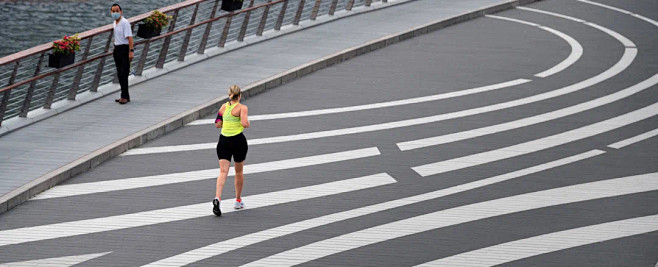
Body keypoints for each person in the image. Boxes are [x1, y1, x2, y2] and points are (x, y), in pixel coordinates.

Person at [213, 85, 250, 216]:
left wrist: (226, 122)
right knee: (238, 171)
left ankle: (217, 198)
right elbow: (245, 124)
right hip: (238, 141)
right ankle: (238, 200)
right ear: (239, 95)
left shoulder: (224, 107)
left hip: (223, 141)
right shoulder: (242, 108)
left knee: (223, 171)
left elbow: (217, 123)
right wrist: (243, 121)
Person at [111, 3, 134, 105]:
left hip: (125, 49)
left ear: (121, 12)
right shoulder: (115, 23)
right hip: (117, 49)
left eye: (117, 11)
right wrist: (114, 45)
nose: (115, 13)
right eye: (113, 11)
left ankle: (124, 97)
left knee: (123, 73)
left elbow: (129, 38)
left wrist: (131, 51)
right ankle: (125, 95)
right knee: (120, 74)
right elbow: (116, 35)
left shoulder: (125, 23)